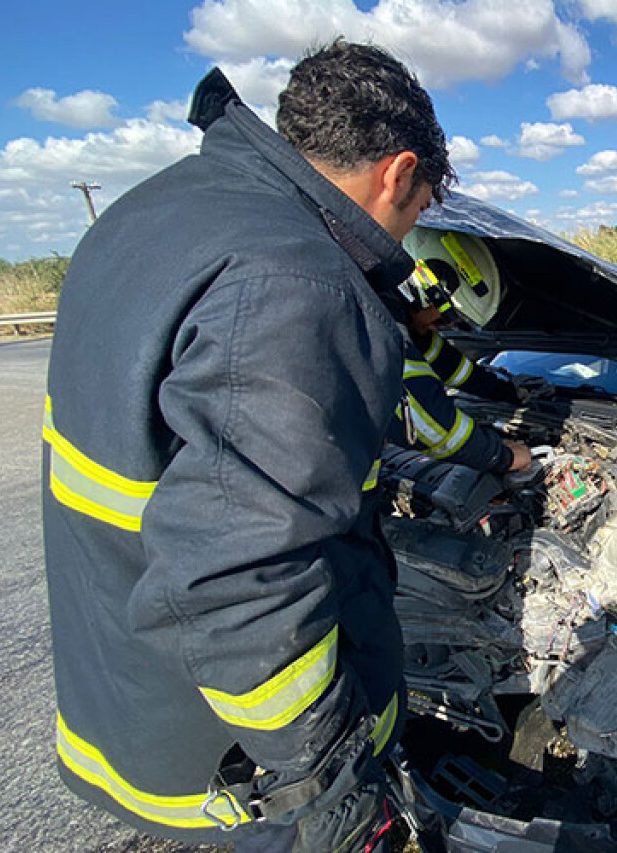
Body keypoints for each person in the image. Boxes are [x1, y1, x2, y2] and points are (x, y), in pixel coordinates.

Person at [41, 41, 453, 852]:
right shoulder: (299, 284)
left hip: (132, 688)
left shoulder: (157, 212)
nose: (410, 231)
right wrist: (332, 785)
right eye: (420, 208)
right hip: (248, 761)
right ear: (398, 172)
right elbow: (239, 584)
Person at [388, 237, 535, 474]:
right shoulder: (384, 329)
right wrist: (503, 456)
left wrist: (510, 393)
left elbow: (457, 371)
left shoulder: (414, 330)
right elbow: (430, 422)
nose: (439, 328)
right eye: (440, 319)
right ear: (416, 293)